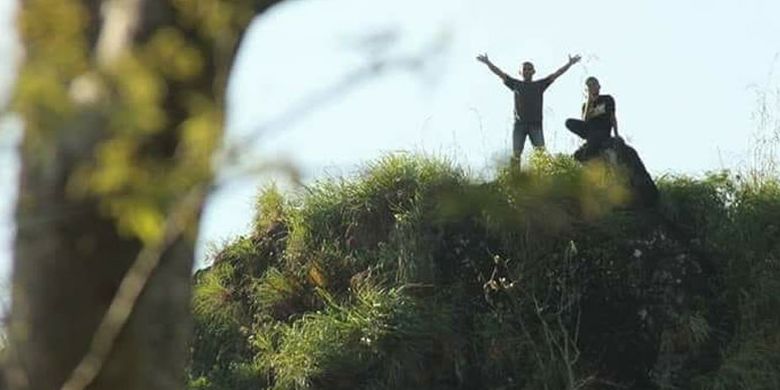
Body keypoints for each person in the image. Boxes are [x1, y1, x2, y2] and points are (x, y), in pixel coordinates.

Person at [476, 53, 581, 162]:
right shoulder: (515, 84)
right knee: (516, 154)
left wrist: (569, 64)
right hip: (519, 124)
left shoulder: (540, 85)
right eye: (525, 69)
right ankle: (516, 177)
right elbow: (499, 73)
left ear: (533, 72)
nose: (527, 71)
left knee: (541, 154)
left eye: (529, 69)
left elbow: (556, 74)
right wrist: (488, 62)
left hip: (535, 124)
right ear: (520, 72)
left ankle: (542, 176)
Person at [565, 77, 619, 161]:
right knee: (568, 122)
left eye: (594, 84)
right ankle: (589, 144)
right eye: (589, 86)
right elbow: (585, 120)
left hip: (602, 130)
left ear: (599, 86)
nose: (592, 87)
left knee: (592, 145)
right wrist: (589, 101)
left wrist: (616, 135)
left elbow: (612, 117)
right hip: (590, 130)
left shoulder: (607, 99)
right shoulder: (585, 106)